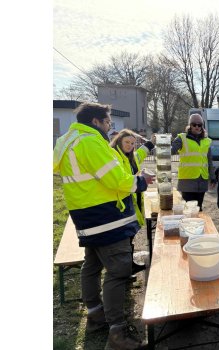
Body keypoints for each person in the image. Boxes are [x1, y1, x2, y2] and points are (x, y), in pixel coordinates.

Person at [53, 102, 154, 349]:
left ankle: (96, 314)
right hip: (107, 217)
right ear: (96, 121)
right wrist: (140, 181)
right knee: (118, 271)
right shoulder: (90, 142)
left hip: (85, 214)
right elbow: (116, 179)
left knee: (92, 265)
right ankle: (117, 333)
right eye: (108, 122)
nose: (110, 127)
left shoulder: (66, 141)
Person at [109, 129, 156, 275]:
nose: (129, 145)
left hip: (132, 201)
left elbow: (140, 154)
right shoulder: (114, 156)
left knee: (130, 234)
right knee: (124, 237)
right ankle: (124, 270)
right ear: (118, 141)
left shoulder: (131, 156)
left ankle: (129, 265)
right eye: (126, 142)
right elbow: (120, 180)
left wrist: (150, 143)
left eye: (132, 143)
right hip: (120, 203)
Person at [172, 114, 215, 210]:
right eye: (194, 124)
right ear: (189, 125)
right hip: (187, 181)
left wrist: (212, 177)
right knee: (188, 210)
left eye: (199, 125)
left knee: (198, 208)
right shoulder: (182, 138)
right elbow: (170, 150)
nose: (197, 127)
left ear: (202, 126)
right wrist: (163, 144)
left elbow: (209, 160)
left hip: (202, 181)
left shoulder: (206, 141)